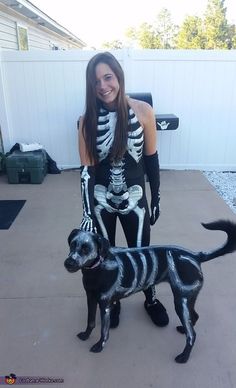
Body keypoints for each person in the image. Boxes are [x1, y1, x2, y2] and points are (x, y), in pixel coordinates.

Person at [78, 51, 169, 328]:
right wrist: (87, 213)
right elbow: (87, 172)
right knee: (107, 254)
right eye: (96, 82)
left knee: (140, 251)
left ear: (118, 77)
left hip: (135, 197)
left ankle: (150, 298)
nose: (103, 86)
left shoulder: (143, 111)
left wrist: (156, 197)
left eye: (108, 77)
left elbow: (151, 158)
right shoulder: (86, 121)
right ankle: (113, 298)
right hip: (101, 200)